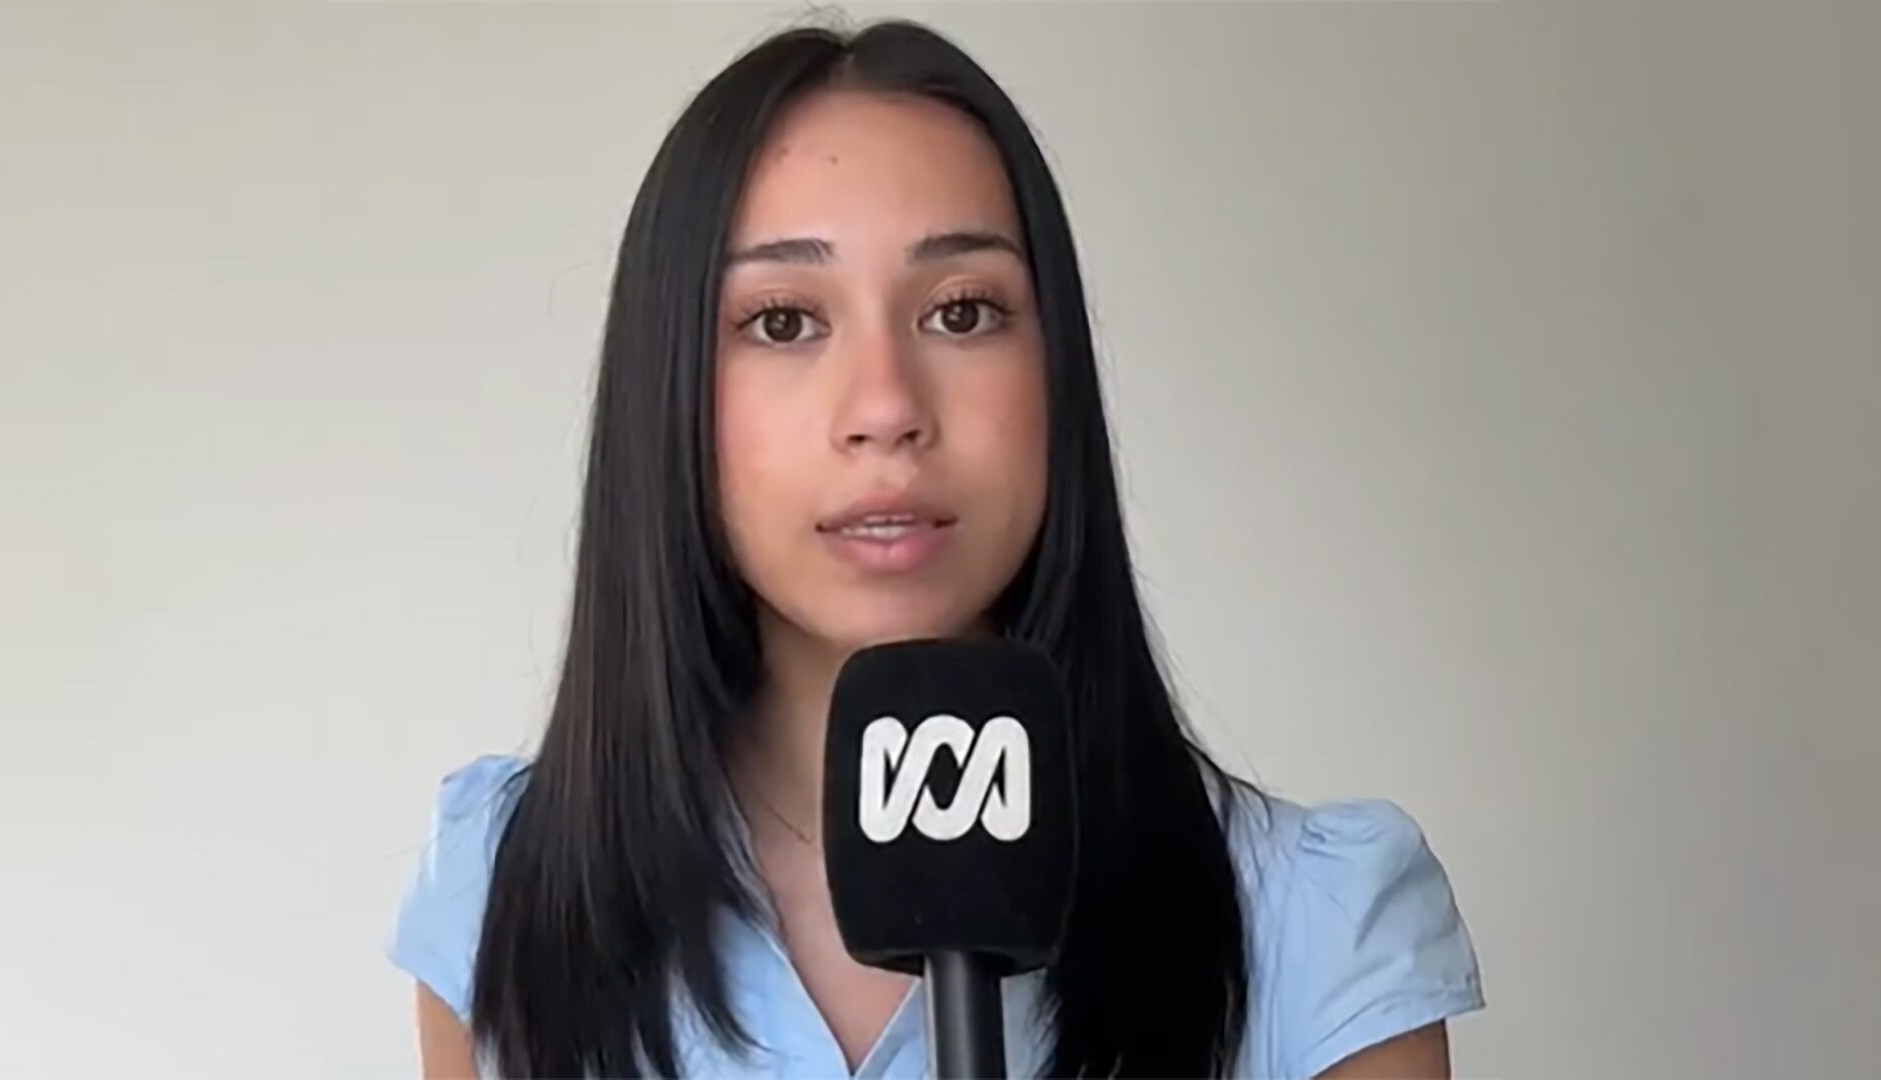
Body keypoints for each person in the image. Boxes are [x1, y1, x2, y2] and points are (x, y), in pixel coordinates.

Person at [387, 18, 1483, 1080]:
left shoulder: (1314, 931)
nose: (886, 407)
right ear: (669, 389)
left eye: (962, 312)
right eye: (782, 322)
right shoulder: (507, 898)